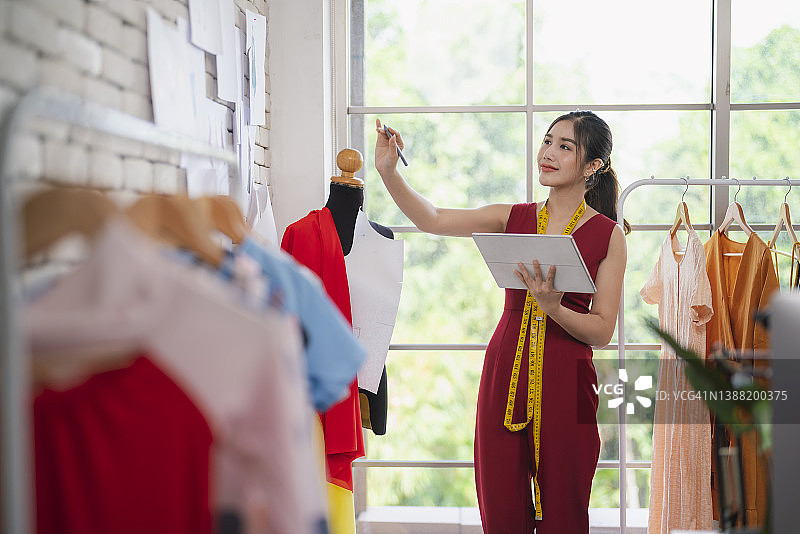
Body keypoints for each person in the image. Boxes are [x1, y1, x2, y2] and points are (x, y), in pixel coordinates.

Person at [373, 111, 628, 534]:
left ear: (592, 167)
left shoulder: (608, 235)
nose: (548, 153)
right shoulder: (512, 218)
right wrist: (388, 171)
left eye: (565, 147)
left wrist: (554, 308)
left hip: (567, 380)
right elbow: (432, 219)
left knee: (564, 510)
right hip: (504, 370)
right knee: (501, 508)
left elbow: (602, 331)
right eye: (548, 141)